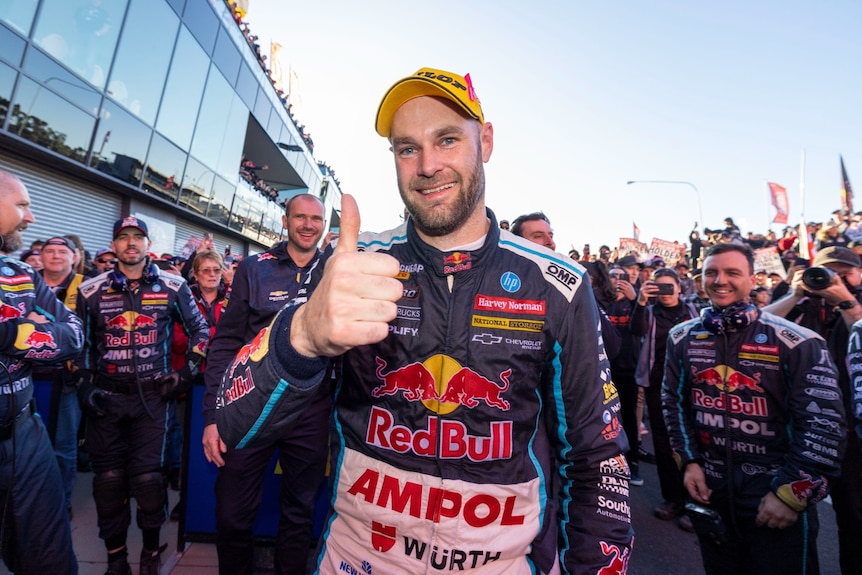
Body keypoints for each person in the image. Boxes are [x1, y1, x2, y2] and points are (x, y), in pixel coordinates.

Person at [215, 67, 633, 574]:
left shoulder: (558, 284)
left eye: (448, 139)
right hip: (357, 561)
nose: (428, 165)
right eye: (407, 148)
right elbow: (237, 425)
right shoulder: (354, 265)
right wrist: (300, 337)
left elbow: (597, 459)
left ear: (487, 141)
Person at [663, 243, 846, 574]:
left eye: (733, 273)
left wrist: (791, 494)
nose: (721, 280)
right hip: (712, 491)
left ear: (752, 279)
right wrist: (689, 462)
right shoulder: (682, 337)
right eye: (711, 273)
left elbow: (823, 425)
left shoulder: (798, 341)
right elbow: (672, 405)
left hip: (774, 496)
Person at [202, 193, 330, 575]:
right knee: (232, 514)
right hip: (250, 408)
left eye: (316, 219)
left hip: (311, 408)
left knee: (300, 512)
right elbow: (225, 341)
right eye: (300, 217)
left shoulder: (337, 271)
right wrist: (213, 416)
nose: (308, 225)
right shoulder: (254, 268)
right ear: (285, 221)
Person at [75, 216, 210, 575]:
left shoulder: (173, 284)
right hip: (107, 400)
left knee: (148, 481)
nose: (131, 243)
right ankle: (116, 560)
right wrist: (84, 384)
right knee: (108, 483)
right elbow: (83, 346)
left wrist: (187, 372)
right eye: (123, 238)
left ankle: (151, 553)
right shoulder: (91, 290)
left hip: (154, 400)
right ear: (114, 245)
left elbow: (201, 332)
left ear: (147, 244)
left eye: (138, 237)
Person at [0, 169, 84, 573]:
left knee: (52, 558)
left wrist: (12, 334)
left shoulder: (21, 274)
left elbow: (74, 334)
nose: (30, 217)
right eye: (22, 205)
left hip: (24, 435)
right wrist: (33, 330)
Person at [763, 245, 862, 574]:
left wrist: (845, 300)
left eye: (843, 271)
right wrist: (795, 294)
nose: (832, 278)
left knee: (855, 522)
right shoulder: (795, 297)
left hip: (851, 434)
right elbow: (757, 326)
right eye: (824, 270)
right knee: (789, 521)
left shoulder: (855, 300)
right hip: (794, 431)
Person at [631, 267, 699, 531]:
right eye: (659, 287)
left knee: (694, 443)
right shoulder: (648, 312)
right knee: (663, 443)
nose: (665, 292)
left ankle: (698, 501)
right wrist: (640, 301)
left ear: (680, 287)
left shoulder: (694, 311)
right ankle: (673, 499)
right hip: (658, 385)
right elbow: (636, 332)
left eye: (670, 287)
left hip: (692, 387)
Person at [35, 236, 85, 516]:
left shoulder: (86, 288)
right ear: (40, 256)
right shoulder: (23, 283)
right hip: (25, 377)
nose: (55, 256)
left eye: (62, 251)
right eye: (49, 251)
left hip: (66, 380)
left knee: (63, 448)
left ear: (74, 257)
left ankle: (61, 503)